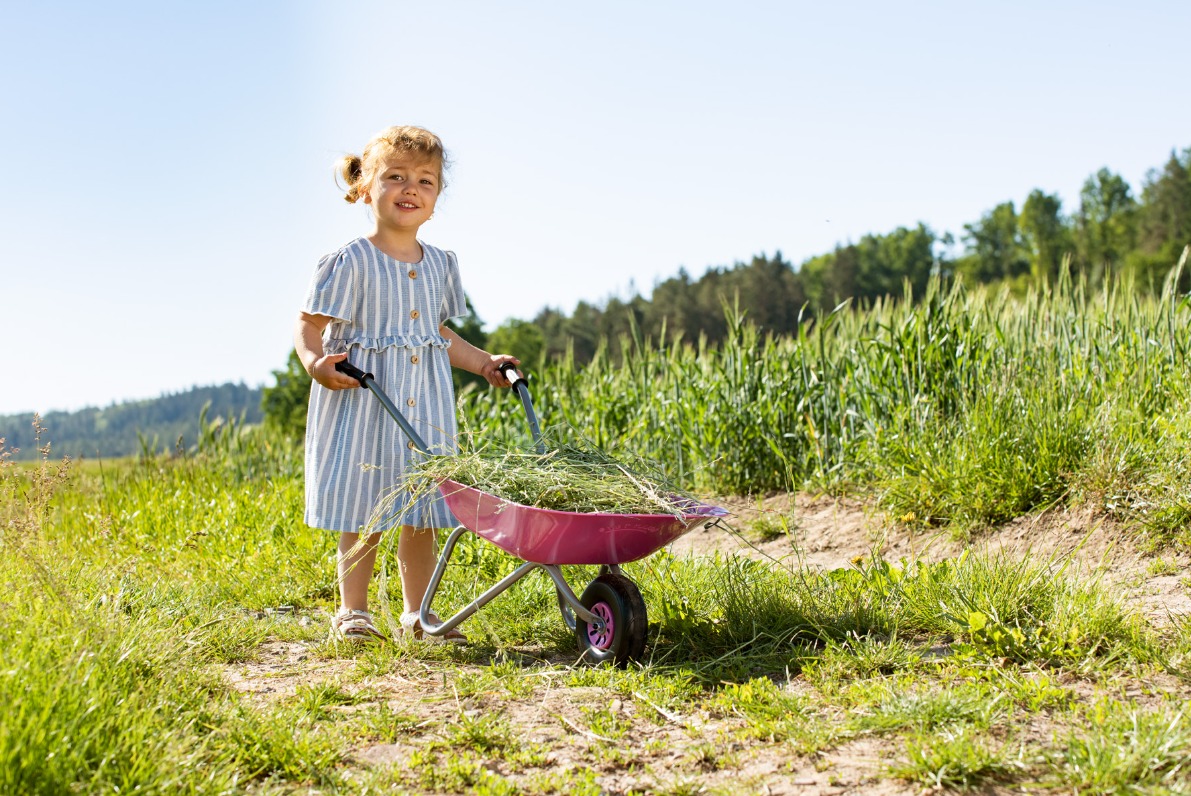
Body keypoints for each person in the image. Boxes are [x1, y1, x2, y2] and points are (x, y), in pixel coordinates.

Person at [293, 126, 519, 643]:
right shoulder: (350, 261)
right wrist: (314, 363)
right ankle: (354, 611)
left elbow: (438, 334)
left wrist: (485, 362)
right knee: (365, 505)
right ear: (364, 188)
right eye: (394, 176)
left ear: (436, 198)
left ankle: (420, 614)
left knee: (424, 512)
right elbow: (308, 323)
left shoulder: (440, 264)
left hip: (426, 408)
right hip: (365, 401)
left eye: (425, 180)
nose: (409, 188)